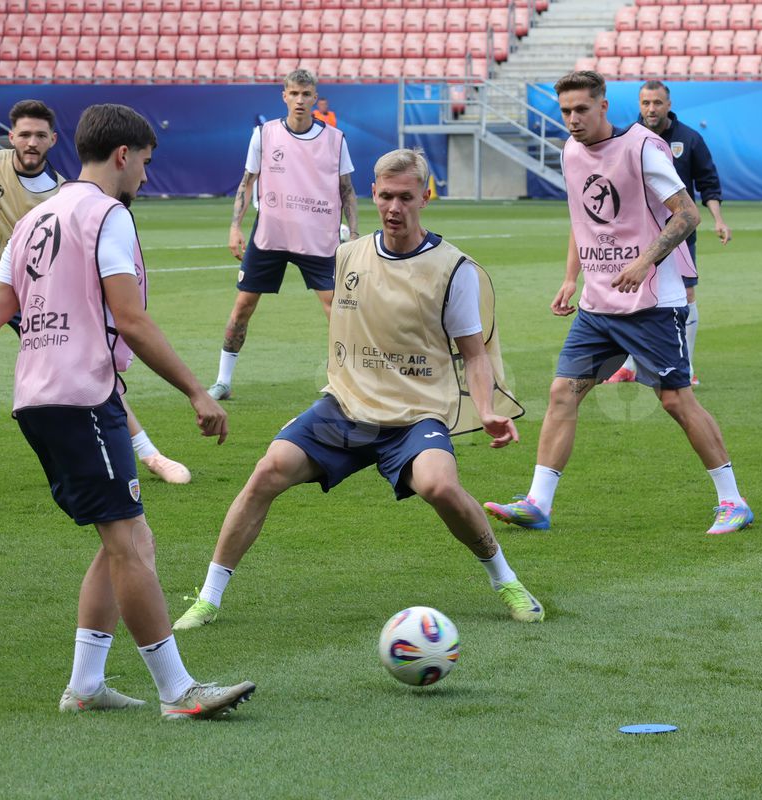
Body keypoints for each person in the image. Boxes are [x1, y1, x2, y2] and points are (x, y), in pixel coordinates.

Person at [0, 103, 257, 717]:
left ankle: (85, 686)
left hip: (39, 399)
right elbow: (131, 318)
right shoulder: (108, 215)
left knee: (125, 537)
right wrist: (196, 391)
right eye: (145, 164)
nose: (146, 178)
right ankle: (178, 691)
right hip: (80, 396)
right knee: (129, 542)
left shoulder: (33, 219)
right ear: (123, 156)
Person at [173, 148, 543, 630]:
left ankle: (506, 580)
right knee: (267, 470)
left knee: (440, 486)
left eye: (405, 197)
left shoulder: (452, 269)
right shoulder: (348, 255)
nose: (394, 207)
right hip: (346, 408)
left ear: (425, 197)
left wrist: (487, 408)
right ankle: (208, 598)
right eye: (386, 196)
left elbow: (474, 354)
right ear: (373, 193)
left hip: (415, 415)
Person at [483, 71, 753, 536]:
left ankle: (733, 500)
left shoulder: (642, 148)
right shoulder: (570, 152)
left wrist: (644, 262)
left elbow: (687, 214)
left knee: (675, 399)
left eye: (581, 110)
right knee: (563, 392)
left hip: (653, 304)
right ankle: (537, 504)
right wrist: (570, 278)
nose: (572, 119)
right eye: (565, 111)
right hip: (597, 307)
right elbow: (581, 220)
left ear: (603, 107)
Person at [0, 99, 191, 489]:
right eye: (25, 134)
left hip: (35, 292)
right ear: (11, 137)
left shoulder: (62, 193)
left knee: (87, 369)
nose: (32, 142)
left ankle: (149, 452)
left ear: (53, 140)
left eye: (40, 135)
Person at [208, 69, 358, 401]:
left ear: (315, 97)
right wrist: (235, 227)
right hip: (271, 233)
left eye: (306, 94)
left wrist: (355, 234)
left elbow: (347, 190)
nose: (300, 100)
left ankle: (347, 382)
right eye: (294, 94)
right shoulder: (264, 134)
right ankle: (222, 381)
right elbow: (247, 182)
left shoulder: (335, 139)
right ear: (284, 96)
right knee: (243, 306)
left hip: (317, 235)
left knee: (336, 308)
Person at [605, 79, 731, 386]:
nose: (651, 109)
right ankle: (629, 365)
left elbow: (708, 182)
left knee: (685, 294)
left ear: (669, 105)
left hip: (678, 233)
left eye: (657, 103)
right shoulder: (626, 137)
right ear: (639, 105)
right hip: (635, 233)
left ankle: (686, 367)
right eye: (646, 103)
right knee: (632, 292)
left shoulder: (690, 139)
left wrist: (718, 219)